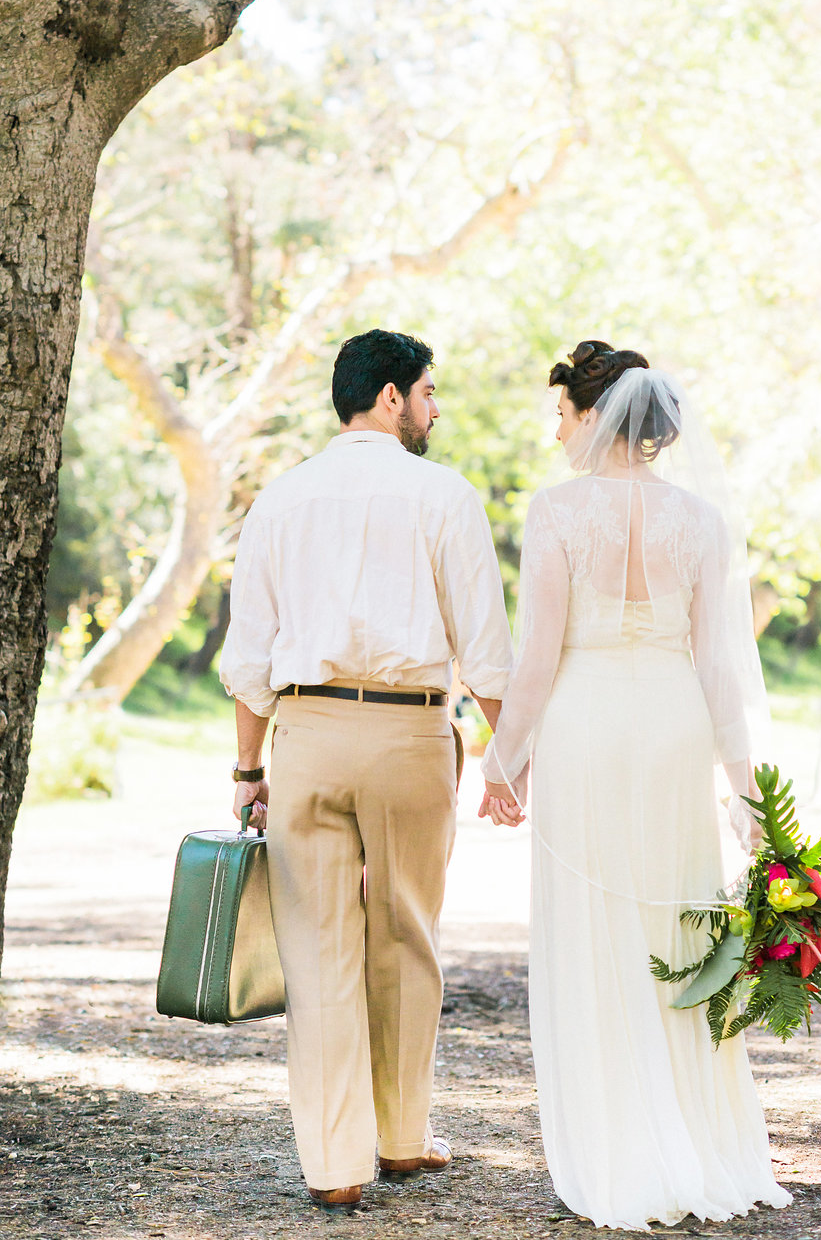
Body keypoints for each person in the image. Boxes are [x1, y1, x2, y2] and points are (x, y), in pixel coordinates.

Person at [478, 340, 793, 1230]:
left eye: (563, 415)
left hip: (584, 725)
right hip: (673, 725)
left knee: (596, 925)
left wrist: (501, 764)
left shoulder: (558, 512)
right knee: (675, 917)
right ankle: (696, 1136)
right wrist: (746, 795)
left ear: (593, 414)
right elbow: (722, 667)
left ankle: (620, 1143)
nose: (560, 434)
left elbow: (537, 657)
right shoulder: (698, 520)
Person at [219, 329, 512, 1212]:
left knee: (318, 951)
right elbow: (487, 653)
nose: (434, 408)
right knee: (407, 934)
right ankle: (402, 1135)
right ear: (389, 397)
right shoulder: (445, 495)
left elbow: (250, 656)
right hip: (411, 733)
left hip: (304, 733)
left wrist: (247, 767)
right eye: (428, 392)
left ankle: (334, 1163)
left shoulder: (281, 497)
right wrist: (515, 760)